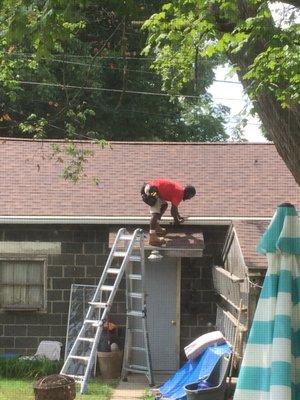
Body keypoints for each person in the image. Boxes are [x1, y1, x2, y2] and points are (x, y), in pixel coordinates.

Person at [141, 178, 196, 246]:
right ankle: (152, 237)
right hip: (153, 190)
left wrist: (178, 216)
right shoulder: (180, 194)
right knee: (155, 212)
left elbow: (175, 208)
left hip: (152, 188)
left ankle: (156, 226)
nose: (189, 198)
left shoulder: (180, 190)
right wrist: (177, 222)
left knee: (164, 205)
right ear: (188, 194)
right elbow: (173, 211)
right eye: (190, 196)